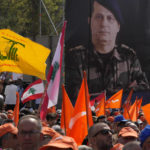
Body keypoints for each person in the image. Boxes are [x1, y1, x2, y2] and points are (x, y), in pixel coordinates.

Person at [65, 0, 150, 105]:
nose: (104, 24)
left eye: (110, 18)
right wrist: (122, 93)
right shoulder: (76, 57)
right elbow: (74, 95)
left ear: (118, 26)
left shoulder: (129, 57)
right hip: (89, 118)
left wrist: (99, 95)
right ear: (90, 21)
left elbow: (144, 89)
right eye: (99, 17)